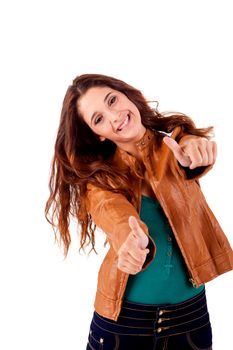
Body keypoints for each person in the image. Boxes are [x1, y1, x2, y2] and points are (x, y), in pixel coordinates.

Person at [45, 73, 233, 350]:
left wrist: (195, 151)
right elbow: (113, 214)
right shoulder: (99, 180)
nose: (114, 117)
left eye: (113, 101)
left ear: (129, 96)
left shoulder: (175, 146)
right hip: (124, 325)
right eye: (99, 119)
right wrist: (131, 242)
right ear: (97, 134)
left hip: (191, 318)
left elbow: (187, 151)